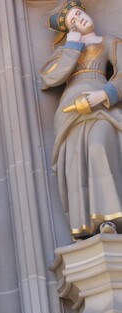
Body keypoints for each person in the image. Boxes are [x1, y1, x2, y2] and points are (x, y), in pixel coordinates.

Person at [40, 0, 122, 238]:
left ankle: (110, 215)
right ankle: (88, 223)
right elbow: (49, 78)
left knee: (98, 145)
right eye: (72, 21)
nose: (79, 19)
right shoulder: (67, 48)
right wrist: (72, 45)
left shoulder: (108, 42)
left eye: (79, 13)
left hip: (100, 104)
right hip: (70, 110)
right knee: (77, 160)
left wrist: (104, 94)